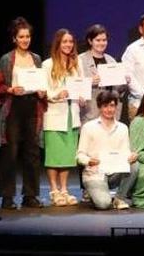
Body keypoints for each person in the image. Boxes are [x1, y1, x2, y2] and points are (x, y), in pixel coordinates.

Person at [0, 17, 44, 210]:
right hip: (13, 107)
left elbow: (41, 83)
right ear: (14, 38)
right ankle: (7, 197)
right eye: (21, 37)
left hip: (32, 106)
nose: (25, 40)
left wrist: (41, 91)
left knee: (32, 152)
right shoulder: (7, 59)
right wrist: (10, 90)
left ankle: (30, 195)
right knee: (11, 152)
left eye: (28, 36)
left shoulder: (36, 58)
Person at [76, 90, 137, 210]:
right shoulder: (89, 127)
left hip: (114, 172)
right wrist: (89, 161)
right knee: (103, 204)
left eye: (112, 106)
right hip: (95, 173)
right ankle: (97, 194)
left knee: (135, 165)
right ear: (99, 107)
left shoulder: (123, 128)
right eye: (105, 106)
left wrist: (131, 156)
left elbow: (125, 152)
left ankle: (119, 198)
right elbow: (79, 155)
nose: (109, 109)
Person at [41, 29, 83, 206]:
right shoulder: (47, 65)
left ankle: (64, 189)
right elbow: (43, 90)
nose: (68, 45)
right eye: (65, 41)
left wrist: (82, 96)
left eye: (71, 42)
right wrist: (57, 94)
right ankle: (54, 190)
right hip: (54, 114)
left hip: (71, 115)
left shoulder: (76, 63)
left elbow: (81, 85)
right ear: (58, 44)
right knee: (53, 156)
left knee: (66, 156)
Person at [78, 24, 130, 124]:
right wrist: (89, 82)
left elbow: (117, 90)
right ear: (90, 41)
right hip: (90, 113)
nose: (101, 43)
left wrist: (124, 83)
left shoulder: (111, 60)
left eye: (104, 40)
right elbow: (75, 86)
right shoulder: (80, 60)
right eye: (98, 40)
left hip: (111, 113)